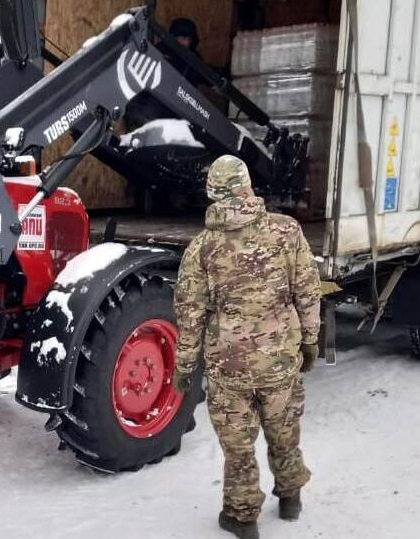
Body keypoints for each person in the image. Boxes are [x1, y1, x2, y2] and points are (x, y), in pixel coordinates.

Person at [172, 155, 321, 539]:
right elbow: (307, 292)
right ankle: (290, 499)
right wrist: (310, 340)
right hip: (280, 359)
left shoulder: (201, 248)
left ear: (212, 193)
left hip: (228, 367)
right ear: (247, 185)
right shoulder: (288, 232)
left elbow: (190, 316)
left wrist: (184, 368)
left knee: (238, 446)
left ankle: (241, 518)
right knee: (284, 429)